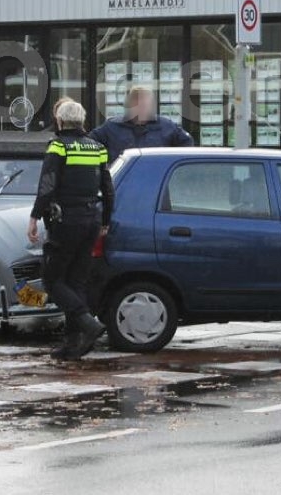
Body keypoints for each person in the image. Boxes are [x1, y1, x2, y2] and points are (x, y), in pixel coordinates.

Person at [28, 100, 114, 360]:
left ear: (60, 121)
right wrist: (105, 221)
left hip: (66, 221)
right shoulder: (97, 148)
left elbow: (47, 185)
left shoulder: (58, 146)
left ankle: (88, 324)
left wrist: (34, 217)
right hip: (91, 220)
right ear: (82, 120)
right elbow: (108, 189)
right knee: (76, 280)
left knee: (53, 280)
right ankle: (73, 342)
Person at [90, 85, 193, 161]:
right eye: (136, 104)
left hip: (155, 182)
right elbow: (90, 144)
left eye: (145, 104)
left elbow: (187, 144)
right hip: (123, 182)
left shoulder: (166, 126)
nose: (141, 107)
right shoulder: (112, 126)